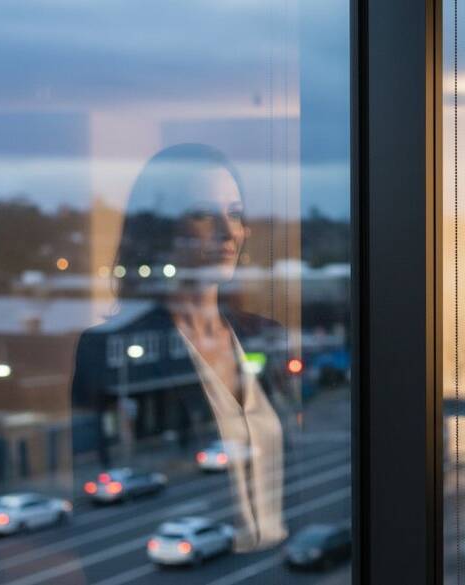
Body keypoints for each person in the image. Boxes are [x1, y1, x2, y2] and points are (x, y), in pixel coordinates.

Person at [71, 143, 296, 551]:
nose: (229, 233)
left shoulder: (259, 334)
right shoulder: (106, 346)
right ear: (162, 231)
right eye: (203, 214)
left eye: (236, 213)